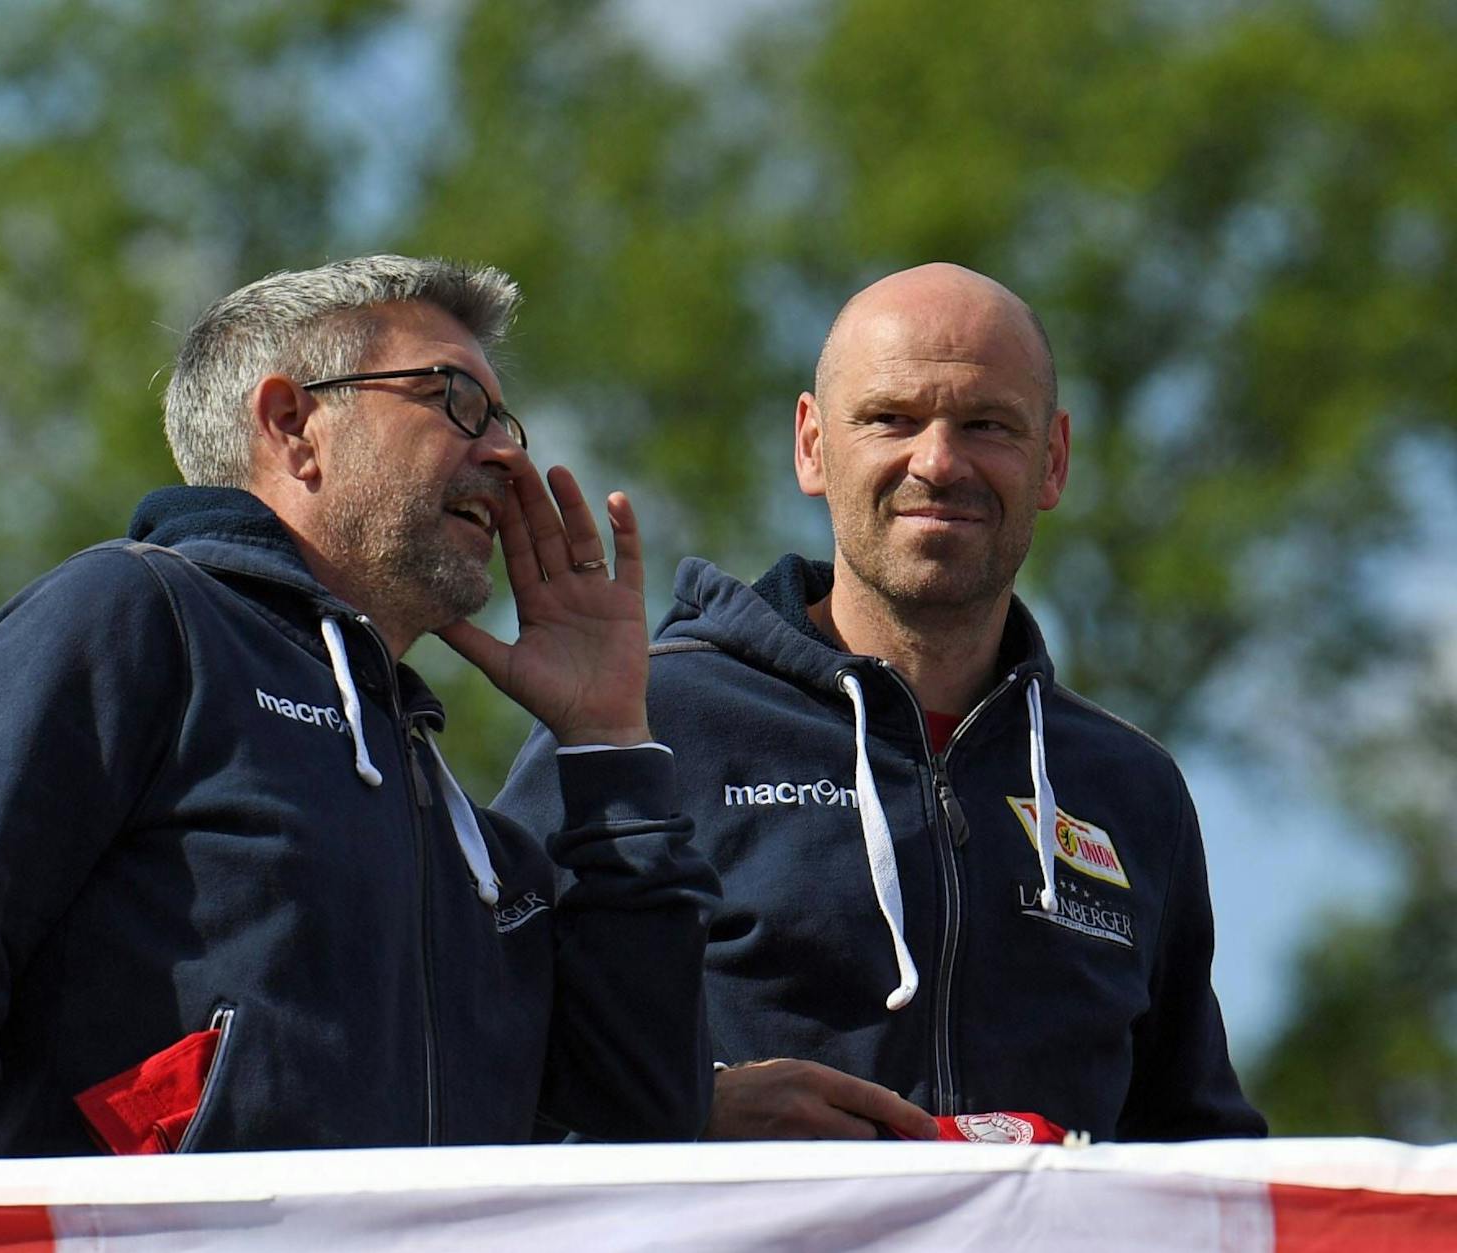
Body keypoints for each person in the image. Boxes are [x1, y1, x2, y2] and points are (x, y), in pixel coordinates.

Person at [0, 254, 720, 1159]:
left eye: (503, 419)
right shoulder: (133, 617)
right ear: (293, 424)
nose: (506, 455)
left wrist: (608, 744)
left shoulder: (463, 833)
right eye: (453, 400)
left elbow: (640, 1104)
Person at [497, 263, 1266, 1143]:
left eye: (987, 424)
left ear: (1052, 461)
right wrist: (691, 1110)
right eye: (891, 419)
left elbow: (1198, 1149)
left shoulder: (1132, 787)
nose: (937, 462)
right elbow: (468, 1045)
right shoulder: (645, 720)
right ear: (812, 445)